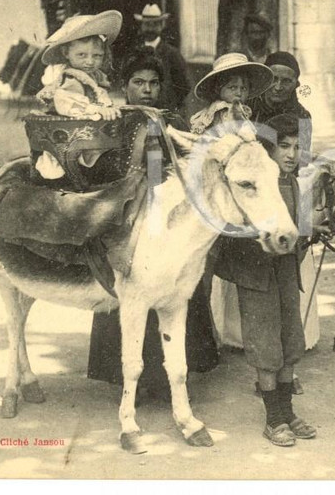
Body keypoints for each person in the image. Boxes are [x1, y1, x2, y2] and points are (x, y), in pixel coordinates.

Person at [86, 50, 220, 403]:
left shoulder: (171, 118)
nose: (146, 90)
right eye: (138, 83)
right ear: (125, 86)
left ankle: (175, 376)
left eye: (153, 83)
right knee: (129, 283)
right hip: (128, 206)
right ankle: (130, 378)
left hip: (168, 204)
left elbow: (189, 160)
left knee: (178, 284)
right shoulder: (114, 118)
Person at [208, 113, 317, 446]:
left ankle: (288, 410)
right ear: (267, 150)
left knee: (290, 338)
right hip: (254, 272)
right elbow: (228, 228)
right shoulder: (248, 187)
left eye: (297, 147)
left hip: (285, 272)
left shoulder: (295, 184)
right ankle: (273, 418)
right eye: (283, 146)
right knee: (265, 343)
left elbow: (296, 229)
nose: (290, 154)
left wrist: (310, 233)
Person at [33, 10, 123, 181]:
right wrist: (95, 109)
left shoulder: (94, 78)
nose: (90, 61)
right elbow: (65, 101)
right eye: (82, 55)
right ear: (67, 53)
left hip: (90, 138)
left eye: (97, 56)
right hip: (73, 145)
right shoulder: (73, 79)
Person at [250, 51, 313, 165]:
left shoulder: (302, 117)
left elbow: (302, 163)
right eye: (273, 79)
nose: (278, 87)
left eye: (286, 81)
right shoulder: (248, 108)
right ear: (264, 79)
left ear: (296, 84)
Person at [188, 53, 274, 135]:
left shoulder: (238, 109)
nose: (239, 93)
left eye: (243, 88)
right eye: (233, 87)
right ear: (219, 88)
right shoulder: (224, 110)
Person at [131, 4, 191, 112]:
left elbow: (184, 85)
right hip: (139, 110)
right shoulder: (135, 52)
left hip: (165, 111)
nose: (150, 28)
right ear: (141, 26)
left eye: (155, 25)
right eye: (147, 24)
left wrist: (170, 104)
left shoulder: (172, 53)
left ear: (161, 26)